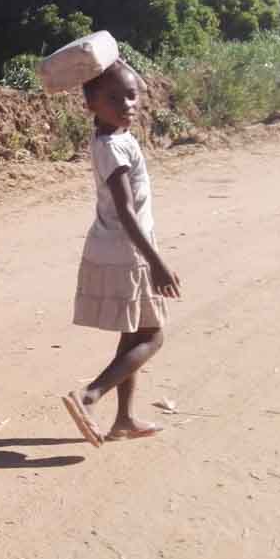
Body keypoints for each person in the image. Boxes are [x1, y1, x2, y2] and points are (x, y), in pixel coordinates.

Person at [61, 60, 182, 446]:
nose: (127, 104)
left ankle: (124, 419)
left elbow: (129, 82)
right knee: (153, 337)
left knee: (133, 336)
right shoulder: (113, 147)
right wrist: (157, 262)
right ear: (90, 105)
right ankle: (89, 395)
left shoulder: (113, 135)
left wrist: (112, 63)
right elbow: (126, 210)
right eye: (113, 98)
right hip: (129, 253)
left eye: (131, 95)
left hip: (119, 247)